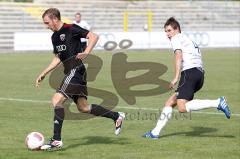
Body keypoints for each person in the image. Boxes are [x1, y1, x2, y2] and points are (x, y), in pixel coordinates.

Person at [36, 8, 125, 150]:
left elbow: (94, 36)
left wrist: (86, 52)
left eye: (47, 23)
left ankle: (56, 140)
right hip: (74, 72)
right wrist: (44, 72)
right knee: (83, 107)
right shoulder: (54, 37)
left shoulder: (71, 28)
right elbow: (58, 57)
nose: (46, 26)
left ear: (55, 19)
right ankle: (116, 116)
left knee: (56, 100)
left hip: (76, 70)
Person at [143, 17, 231, 139]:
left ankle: (217, 102)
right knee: (170, 102)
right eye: (166, 32)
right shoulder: (188, 39)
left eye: (169, 30)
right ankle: (155, 132)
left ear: (176, 29)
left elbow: (178, 56)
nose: (167, 34)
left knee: (182, 107)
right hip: (199, 75)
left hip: (189, 74)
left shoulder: (176, 38)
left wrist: (175, 77)